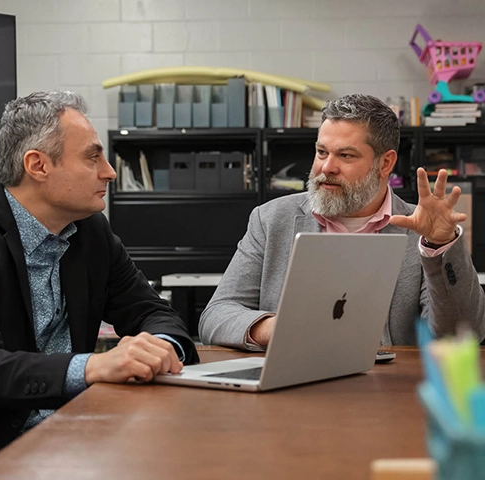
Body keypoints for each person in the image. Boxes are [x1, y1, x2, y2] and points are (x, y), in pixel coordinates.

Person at [0, 90, 199, 448]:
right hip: (1, 448)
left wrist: (160, 348)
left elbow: (152, 312)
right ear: (38, 165)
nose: (110, 172)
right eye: (92, 157)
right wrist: (92, 367)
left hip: (85, 431)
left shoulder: (90, 231)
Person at [199, 93, 485, 350]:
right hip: (293, 386)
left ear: (385, 163)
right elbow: (216, 315)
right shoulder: (271, 219)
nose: (327, 167)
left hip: (389, 392)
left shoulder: (419, 230)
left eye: (345, 155)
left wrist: (440, 245)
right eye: (322, 152)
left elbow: (461, 336)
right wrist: (272, 328)